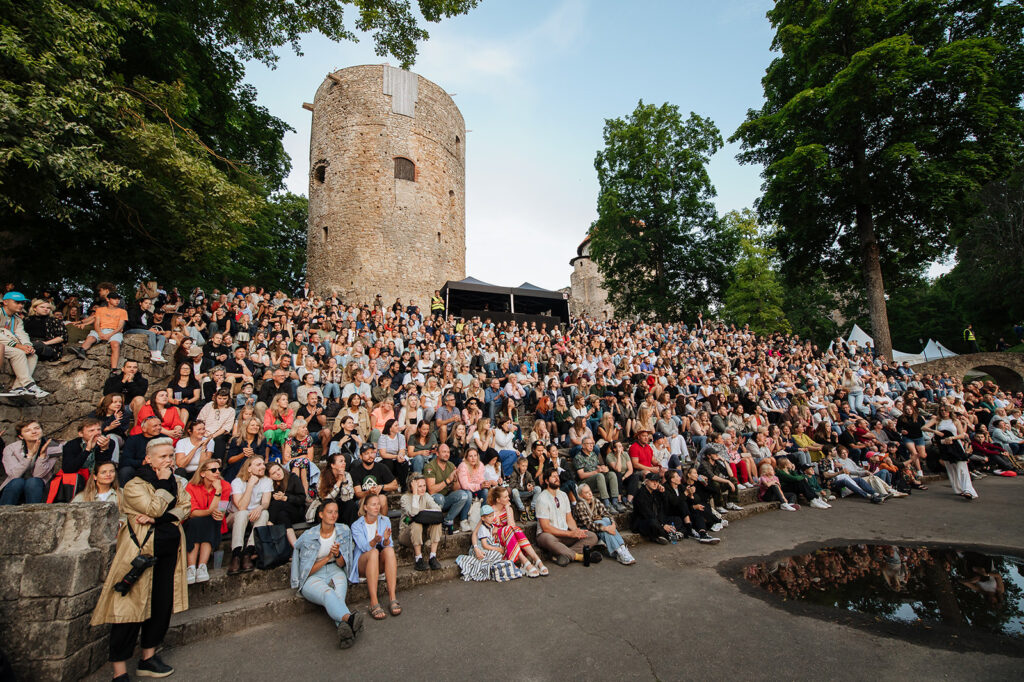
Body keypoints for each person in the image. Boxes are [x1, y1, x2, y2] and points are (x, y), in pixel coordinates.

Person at [90, 437, 190, 681]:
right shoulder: (134, 485)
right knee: (129, 610)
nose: (168, 460)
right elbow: (154, 507)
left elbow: (185, 507)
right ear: (149, 459)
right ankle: (119, 671)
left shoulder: (177, 482)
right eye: (163, 456)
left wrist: (159, 519)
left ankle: (148, 656)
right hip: (141, 553)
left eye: (171, 455)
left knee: (160, 606)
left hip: (169, 551)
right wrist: (164, 493)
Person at [290, 499, 364, 649]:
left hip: (335, 570)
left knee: (338, 596)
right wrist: (327, 557)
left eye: (336, 512)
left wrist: (337, 555)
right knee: (329, 594)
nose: (333, 515)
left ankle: (345, 632)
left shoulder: (343, 530)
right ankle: (350, 619)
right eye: (330, 512)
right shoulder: (309, 535)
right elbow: (307, 571)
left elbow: (343, 564)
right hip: (313, 576)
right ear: (321, 515)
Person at [534, 467, 601, 567]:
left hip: (564, 533)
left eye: (557, 476)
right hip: (548, 535)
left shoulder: (564, 495)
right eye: (553, 477)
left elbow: (569, 518)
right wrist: (570, 534)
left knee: (592, 536)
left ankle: (562, 555)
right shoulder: (542, 498)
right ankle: (580, 556)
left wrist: (576, 531)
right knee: (547, 539)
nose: (557, 478)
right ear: (547, 481)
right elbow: (546, 527)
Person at [350, 493, 400, 620]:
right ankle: (374, 601)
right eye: (373, 504)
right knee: (373, 552)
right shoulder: (357, 525)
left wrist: (386, 540)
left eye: (378, 504)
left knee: (388, 550)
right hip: (363, 563)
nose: (377, 507)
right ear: (365, 507)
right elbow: (363, 547)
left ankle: (392, 597)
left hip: (378, 562)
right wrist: (374, 541)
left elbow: (389, 545)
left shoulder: (385, 520)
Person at [183, 459, 230, 584]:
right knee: (198, 521)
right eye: (213, 470)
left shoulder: (224, 486)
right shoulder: (191, 487)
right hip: (194, 522)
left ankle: (202, 566)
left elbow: (220, 510)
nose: (217, 472)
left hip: (215, 521)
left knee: (210, 520)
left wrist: (218, 491)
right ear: (203, 473)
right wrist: (210, 511)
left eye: (219, 469)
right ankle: (192, 567)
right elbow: (192, 513)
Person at [487, 486, 547, 577]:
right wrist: (498, 530)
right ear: (498, 500)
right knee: (509, 530)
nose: (509, 498)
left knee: (515, 530)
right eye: (505, 497)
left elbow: (512, 526)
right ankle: (526, 562)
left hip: (509, 538)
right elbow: (486, 531)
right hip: (495, 542)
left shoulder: (508, 509)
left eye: (508, 496)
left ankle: (536, 560)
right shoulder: (489, 510)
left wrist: (507, 509)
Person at [455, 504, 523, 582]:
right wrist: (497, 549)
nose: (492, 518)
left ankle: (506, 565)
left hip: (488, 546)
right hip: (483, 549)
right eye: (490, 516)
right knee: (497, 554)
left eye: (492, 516)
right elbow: (485, 545)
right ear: (483, 518)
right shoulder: (482, 528)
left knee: (501, 551)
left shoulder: (489, 525)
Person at [228, 455, 272, 574]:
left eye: (263, 464)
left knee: (264, 513)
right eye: (258, 465)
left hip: (253, 516)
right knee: (242, 513)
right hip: (235, 517)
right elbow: (241, 506)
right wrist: (250, 485)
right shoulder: (237, 482)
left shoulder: (267, 481)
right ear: (249, 469)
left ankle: (248, 552)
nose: (263, 467)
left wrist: (260, 507)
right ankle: (236, 555)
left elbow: (266, 502)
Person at [573, 482, 636, 565]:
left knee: (606, 520)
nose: (590, 493)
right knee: (600, 522)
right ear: (581, 495)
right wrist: (605, 528)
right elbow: (588, 524)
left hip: (598, 527)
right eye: (586, 492)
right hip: (586, 530)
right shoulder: (580, 505)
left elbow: (607, 514)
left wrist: (613, 525)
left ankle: (622, 548)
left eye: (590, 491)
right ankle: (619, 552)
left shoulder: (595, 500)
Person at [0, 291, 49, 397]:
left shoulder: (17, 318)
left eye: (22, 303)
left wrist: (28, 345)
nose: (20, 305)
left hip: (9, 345)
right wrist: (18, 346)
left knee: (32, 355)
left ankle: (18, 387)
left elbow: (22, 333)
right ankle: (29, 385)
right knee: (18, 353)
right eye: (17, 302)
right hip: (3, 345)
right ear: (5, 302)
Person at [0, 420, 60, 505]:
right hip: (14, 487)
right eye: (27, 431)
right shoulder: (11, 449)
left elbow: (38, 475)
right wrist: (29, 456)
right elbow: (14, 474)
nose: (34, 432)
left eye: (37, 428)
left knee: (33, 481)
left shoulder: (53, 448)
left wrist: (42, 456)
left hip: (39, 487)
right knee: (17, 482)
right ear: (21, 436)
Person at [399, 473, 444, 571]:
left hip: (423, 533)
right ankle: (418, 558)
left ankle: (433, 556)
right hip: (406, 534)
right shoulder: (405, 498)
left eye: (424, 485)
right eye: (419, 486)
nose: (423, 489)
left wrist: (422, 514)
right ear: (411, 486)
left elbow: (437, 510)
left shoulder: (426, 496)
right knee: (416, 523)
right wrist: (415, 494)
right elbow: (413, 513)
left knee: (436, 523)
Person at [424, 443, 471, 533]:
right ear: (437, 453)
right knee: (440, 498)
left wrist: (456, 479)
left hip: (447, 497)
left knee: (465, 495)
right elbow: (431, 490)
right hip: (434, 499)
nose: (447, 454)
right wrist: (448, 480)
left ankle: (448, 521)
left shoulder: (450, 465)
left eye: (448, 452)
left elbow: (455, 489)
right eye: (444, 452)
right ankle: (435, 523)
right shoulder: (430, 466)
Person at [79, 291, 128, 370]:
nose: (117, 301)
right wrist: (99, 333)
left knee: (115, 344)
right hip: (101, 330)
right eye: (115, 299)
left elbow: (120, 326)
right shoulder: (100, 310)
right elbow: (96, 323)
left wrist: (109, 335)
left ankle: (114, 369)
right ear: (108, 299)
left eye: (118, 299)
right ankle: (81, 351)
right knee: (91, 338)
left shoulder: (122, 311)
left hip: (114, 331)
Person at [574, 436, 622, 512]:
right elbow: (581, 475)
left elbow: (598, 466)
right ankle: (606, 504)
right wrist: (596, 471)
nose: (591, 445)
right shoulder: (578, 457)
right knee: (599, 475)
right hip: (585, 482)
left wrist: (604, 468)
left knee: (611, 474)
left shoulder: (593, 454)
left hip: (598, 478)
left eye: (592, 443)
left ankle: (615, 502)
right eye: (588, 444)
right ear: (583, 445)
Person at [313, 451, 359, 526]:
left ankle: (350, 531)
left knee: (351, 505)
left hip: (340, 504)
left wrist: (344, 481)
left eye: (344, 461)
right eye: (341, 461)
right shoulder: (323, 476)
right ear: (333, 465)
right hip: (324, 504)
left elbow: (348, 497)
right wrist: (339, 482)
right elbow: (325, 498)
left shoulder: (347, 475)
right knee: (327, 507)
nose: (344, 463)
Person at [267, 462, 308, 547]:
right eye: (274, 473)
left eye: (278, 469)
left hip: (296, 512)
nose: (278, 473)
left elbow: (302, 499)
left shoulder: (292, 478)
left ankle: (269, 526)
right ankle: (295, 546)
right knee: (282, 515)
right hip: (282, 515)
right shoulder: (269, 485)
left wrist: (286, 498)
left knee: (277, 503)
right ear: (269, 477)